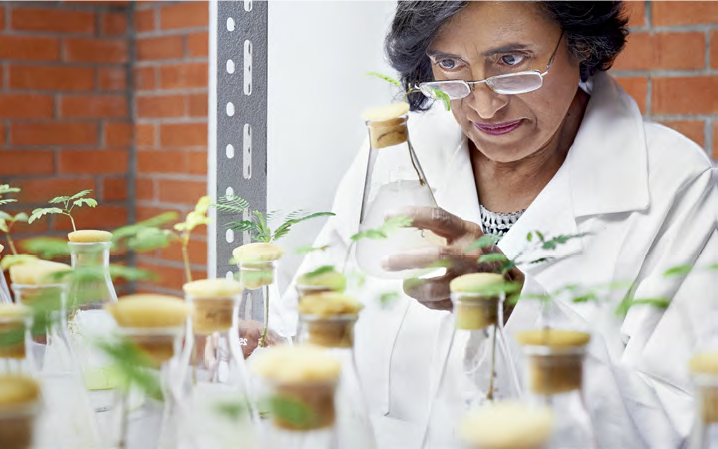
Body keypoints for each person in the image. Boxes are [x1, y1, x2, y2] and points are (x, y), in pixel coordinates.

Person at [281, 0, 718, 447]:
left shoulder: (675, 186)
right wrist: (264, 351)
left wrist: (517, 306)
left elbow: (683, 426)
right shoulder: (401, 153)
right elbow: (307, 317)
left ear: (581, 45)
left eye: (511, 61)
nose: (485, 106)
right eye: (450, 64)